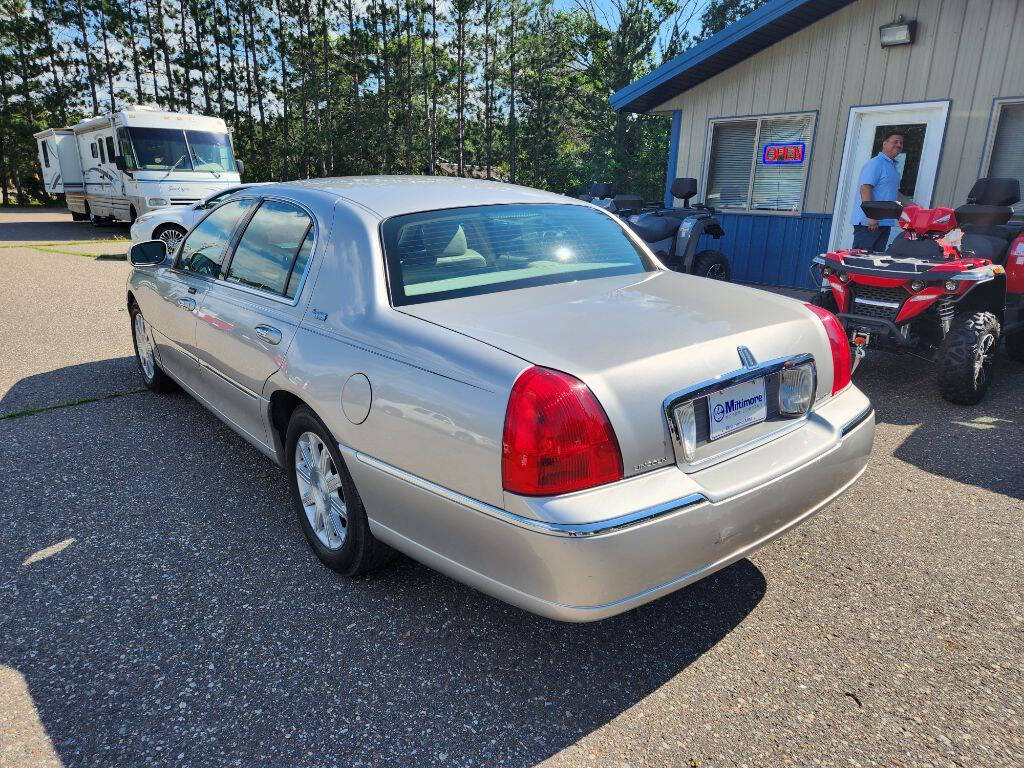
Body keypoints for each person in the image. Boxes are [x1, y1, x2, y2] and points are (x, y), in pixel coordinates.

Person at [850, 131, 904, 251]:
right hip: (869, 224)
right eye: (895, 141)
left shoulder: (893, 167)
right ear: (885, 144)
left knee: (875, 262)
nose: (899, 145)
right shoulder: (876, 163)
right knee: (861, 261)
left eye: (901, 143)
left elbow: (895, 193)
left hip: (884, 223)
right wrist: (871, 216)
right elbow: (865, 188)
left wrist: (917, 207)